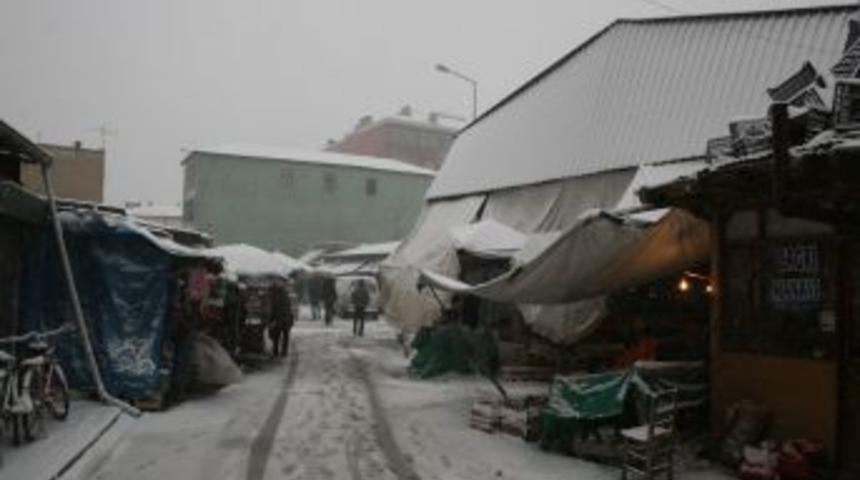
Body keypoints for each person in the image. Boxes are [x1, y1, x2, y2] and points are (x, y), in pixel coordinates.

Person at [268, 280, 294, 357]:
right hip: (286, 319)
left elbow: (274, 310)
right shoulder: (286, 296)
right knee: (285, 336)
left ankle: (276, 351)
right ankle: (283, 351)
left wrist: (271, 319)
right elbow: (289, 308)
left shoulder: (276, 298)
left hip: (279, 319)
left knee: (277, 336)